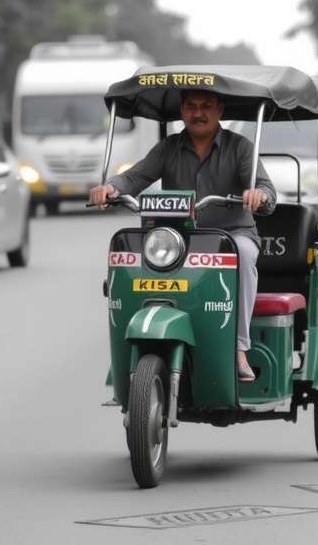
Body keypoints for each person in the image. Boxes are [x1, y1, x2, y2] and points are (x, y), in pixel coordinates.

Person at [89, 90, 277, 380]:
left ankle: (239, 349)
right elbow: (134, 177)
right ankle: (131, 348)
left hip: (231, 236)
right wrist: (111, 188)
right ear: (182, 111)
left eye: (206, 106)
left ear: (219, 110)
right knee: (133, 257)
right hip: (179, 239)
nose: (198, 113)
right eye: (191, 106)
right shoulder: (168, 149)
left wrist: (258, 195)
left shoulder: (240, 148)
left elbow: (267, 190)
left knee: (241, 253)